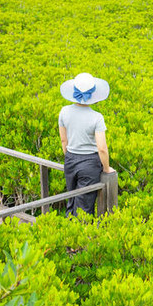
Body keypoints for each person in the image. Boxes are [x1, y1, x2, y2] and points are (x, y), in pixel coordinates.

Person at [58, 72, 115, 216]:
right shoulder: (97, 118)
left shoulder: (64, 112)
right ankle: (81, 236)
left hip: (70, 159)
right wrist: (107, 169)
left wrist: (70, 157)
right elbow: (102, 148)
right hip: (89, 164)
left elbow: (64, 141)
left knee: (71, 201)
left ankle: (68, 233)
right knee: (84, 207)